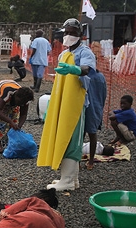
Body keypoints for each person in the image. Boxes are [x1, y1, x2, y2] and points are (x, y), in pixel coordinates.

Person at [38, 18, 107, 191]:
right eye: (66, 32)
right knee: (63, 136)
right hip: (63, 101)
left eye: (72, 33)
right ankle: (71, 178)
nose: (68, 36)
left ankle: (67, 180)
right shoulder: (64, 54)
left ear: (80, 35)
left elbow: (87, 69)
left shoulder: (85, 52)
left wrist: (75, 70)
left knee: (72, 139)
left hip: (76, 103)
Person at [0, 80, 35, 154]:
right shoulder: (7, 93)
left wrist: (19, 126)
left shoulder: (25, 99)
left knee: (14, 116)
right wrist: (10, 121)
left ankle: (9, 140)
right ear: (16, 96)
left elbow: (23, 114)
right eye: (20, 103)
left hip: (13, 88)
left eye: (23, 104)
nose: (22, 105)